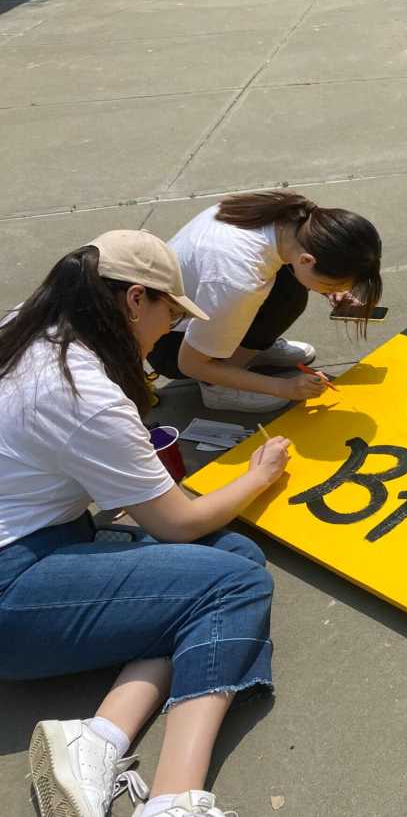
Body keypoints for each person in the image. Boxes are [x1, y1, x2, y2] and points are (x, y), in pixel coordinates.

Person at [0, 230, 291, 817]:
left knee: (230, 555)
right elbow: (176, 523)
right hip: (12, 585)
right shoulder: (82, 389)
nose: (170, 329)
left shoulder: (23, 330)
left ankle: (98, 738)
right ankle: (175, 800)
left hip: (37, 542)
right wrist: (259, 475)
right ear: (135, 300)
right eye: (168, 312)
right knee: (233, 583)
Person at [148, 190, 383, 414]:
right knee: (287, 296)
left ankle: (247, 352)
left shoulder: (293, 216)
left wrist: (330, 289)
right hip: (167, 345)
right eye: (331, 285)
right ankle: (218, 388)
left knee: (289, 290)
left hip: (196, 302)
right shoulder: (237, 279)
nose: (333, 292)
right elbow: (191, 364)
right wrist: (283, 388)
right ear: (307, 259)